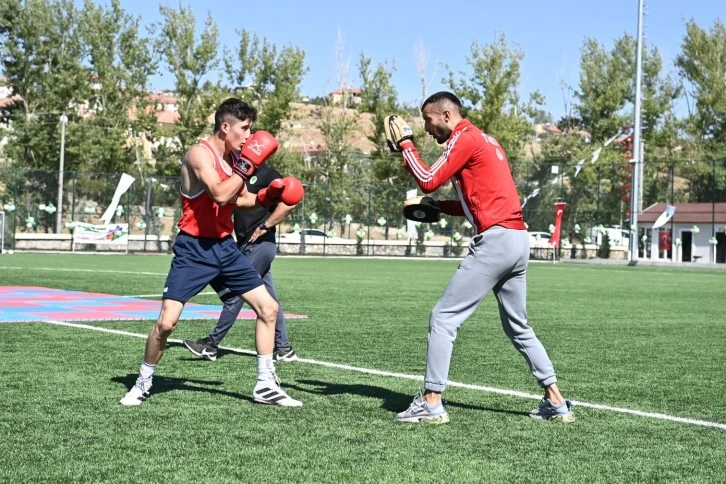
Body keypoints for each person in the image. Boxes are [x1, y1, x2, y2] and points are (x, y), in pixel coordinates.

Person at [385, 91, 574, 424]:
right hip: (517, 239)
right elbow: (480, 200)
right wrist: (439, 208)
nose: (427, 129)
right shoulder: (486, 140)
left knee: (443, 318)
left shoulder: (464, 138)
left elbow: (428, 180)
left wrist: (406, 145)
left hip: (497, 242)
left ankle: (430, 402)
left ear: (446, 115)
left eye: (428, 120)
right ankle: (556, 401)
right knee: (519, 326)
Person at [120, 98, 304, 407]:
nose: (249, 136)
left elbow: (240, 199)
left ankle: (265, 384)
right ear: (225, 126)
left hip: (225, 247)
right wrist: (248, 164)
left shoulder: (235, 159)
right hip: (194, 249)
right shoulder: (198, 154)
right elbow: (220, 195)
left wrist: (268, 196)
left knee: (268, 308)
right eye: (244, 129)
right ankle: (143, 380)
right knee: (166, 323)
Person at [182, 162, 299, 363]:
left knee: (236, 293)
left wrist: (266, 225)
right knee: (269, 299)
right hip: (244, 244)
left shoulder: (269, 174)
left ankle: (211, 344)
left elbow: (290, 201)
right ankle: (284, 348)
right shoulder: (239, 176)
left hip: (261, 245)